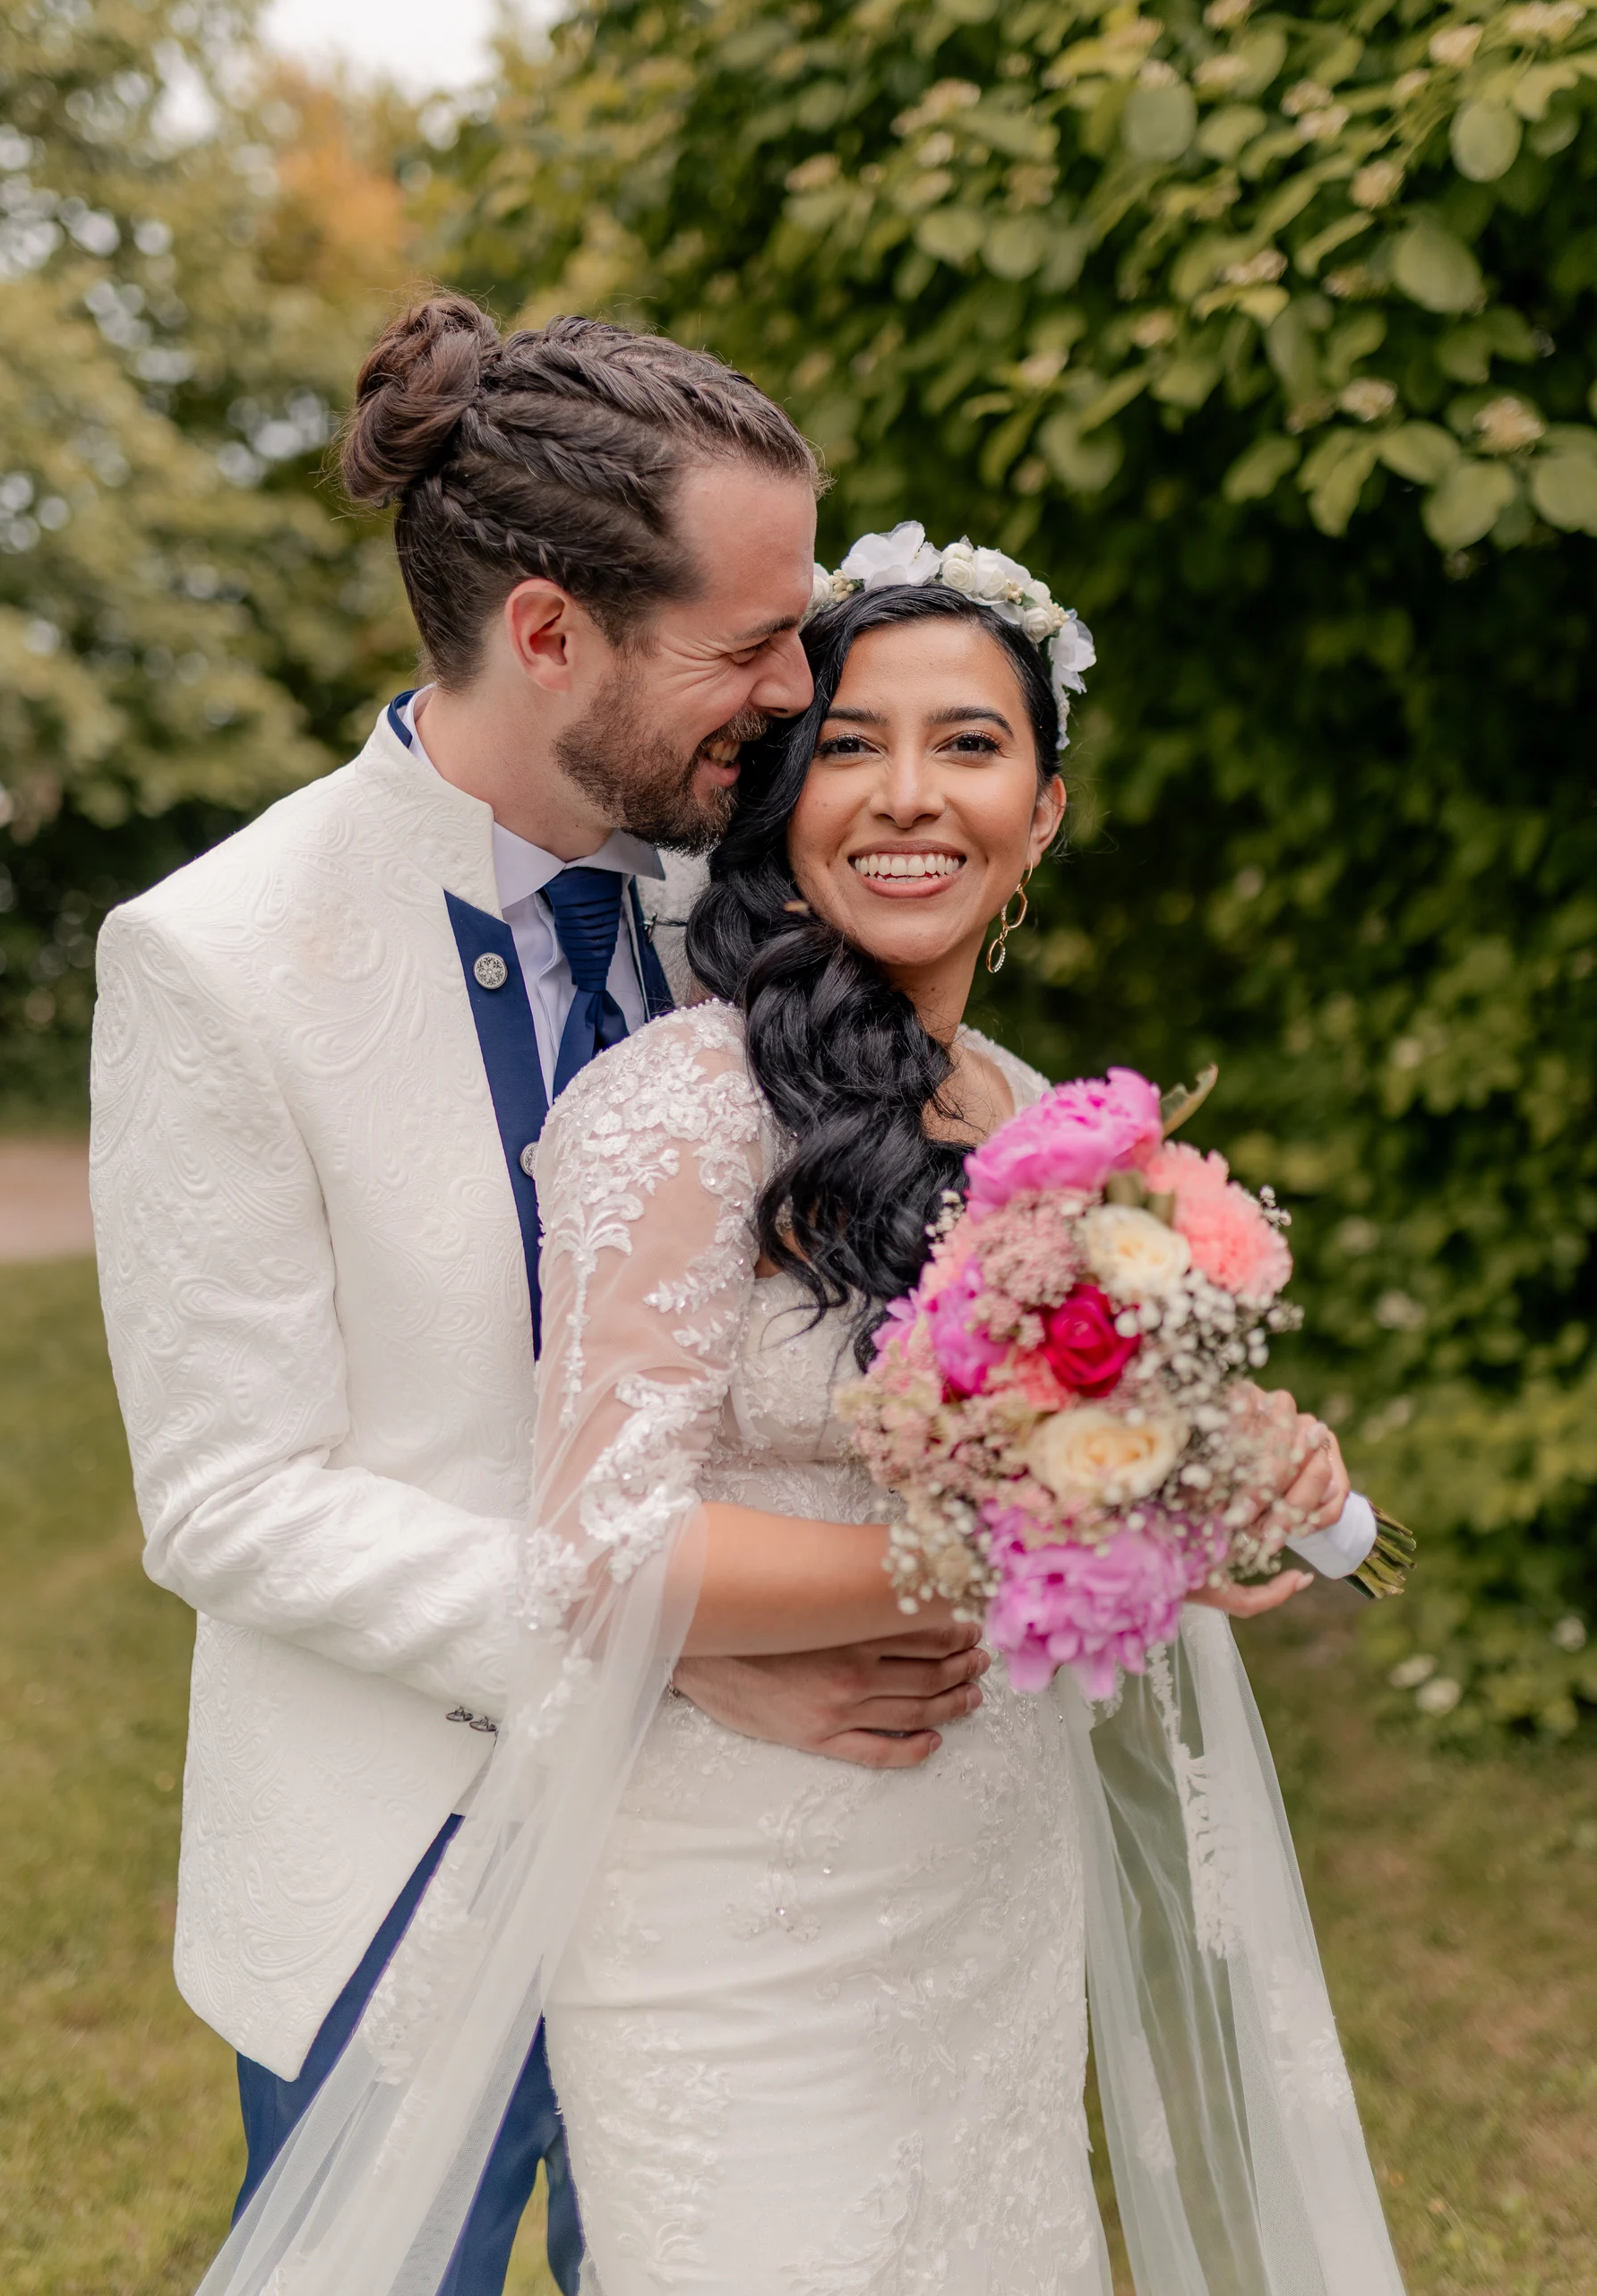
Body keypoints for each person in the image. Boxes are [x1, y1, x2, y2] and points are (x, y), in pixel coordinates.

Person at [197, 546, 1405, 2296]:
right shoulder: (675, 1112)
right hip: (734, 1903)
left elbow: (1090, 1436)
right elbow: (610, 1546)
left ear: (1043, 809)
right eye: (849, 747)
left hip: (984, 1869)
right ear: (783, 792)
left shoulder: (1051, 1124)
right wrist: (1041, 1550)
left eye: (970, 745)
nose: (908, 797)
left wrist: (1211, 1481)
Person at [89, 296, 992, 2296]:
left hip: (757, 1858)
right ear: (549, 628)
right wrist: (649, 1650)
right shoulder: (214, 960)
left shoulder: (755, 901)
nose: (796, 689)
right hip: (393, 1844)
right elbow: (227, 1495)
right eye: (750, 645)